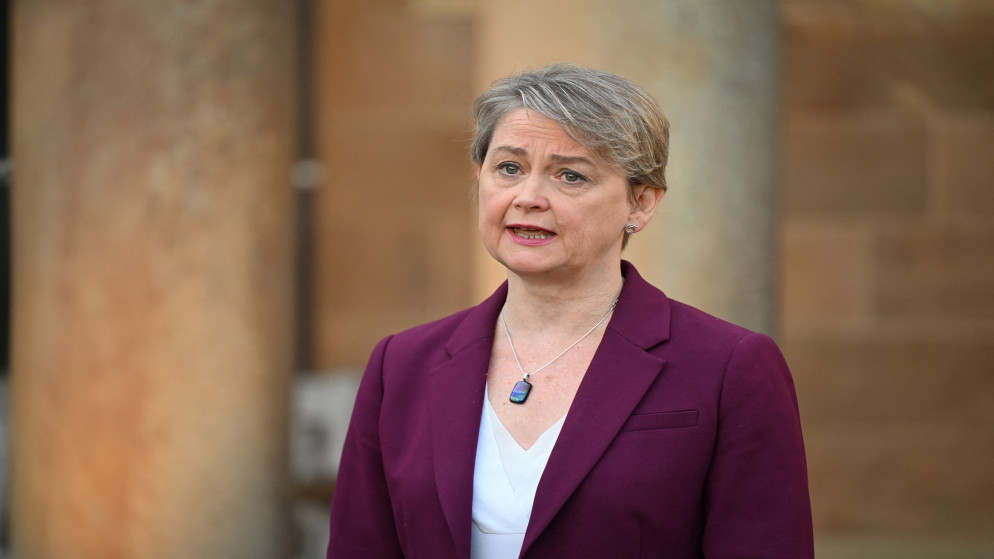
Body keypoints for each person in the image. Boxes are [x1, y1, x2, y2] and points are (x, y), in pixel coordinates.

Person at [326, 63, 813, 559]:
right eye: (509, 168)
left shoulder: (730, 367)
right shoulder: (401, 364)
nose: (528, 198)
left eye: (571, 176)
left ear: (641, 204)